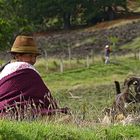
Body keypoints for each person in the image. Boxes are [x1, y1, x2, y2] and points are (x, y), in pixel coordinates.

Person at [0, 35, 69, 119]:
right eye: (30, 56)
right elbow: (44, 95)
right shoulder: (26, 68)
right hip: (25, 113)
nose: (33, 60)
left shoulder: (5, 70)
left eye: (35, 56)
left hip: (4, 111)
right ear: (18, 56)